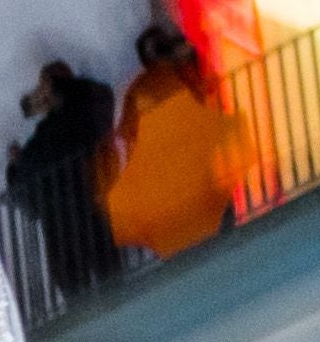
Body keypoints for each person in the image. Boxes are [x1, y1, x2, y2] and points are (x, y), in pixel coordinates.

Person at [98, 23, 231, 262]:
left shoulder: (146, 87)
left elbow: (126, 135)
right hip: (196, 174)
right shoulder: (179, 77)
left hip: (176, 182)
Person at [3, 54, 120, 300]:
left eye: (45, 85)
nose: (41, 92)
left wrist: (15, 164)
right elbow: (25, 189)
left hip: (71, 224)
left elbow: (23, 185)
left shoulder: (74, 116)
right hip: (83, 218)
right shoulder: (73, 119)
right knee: (107, 285)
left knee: (90, 291)